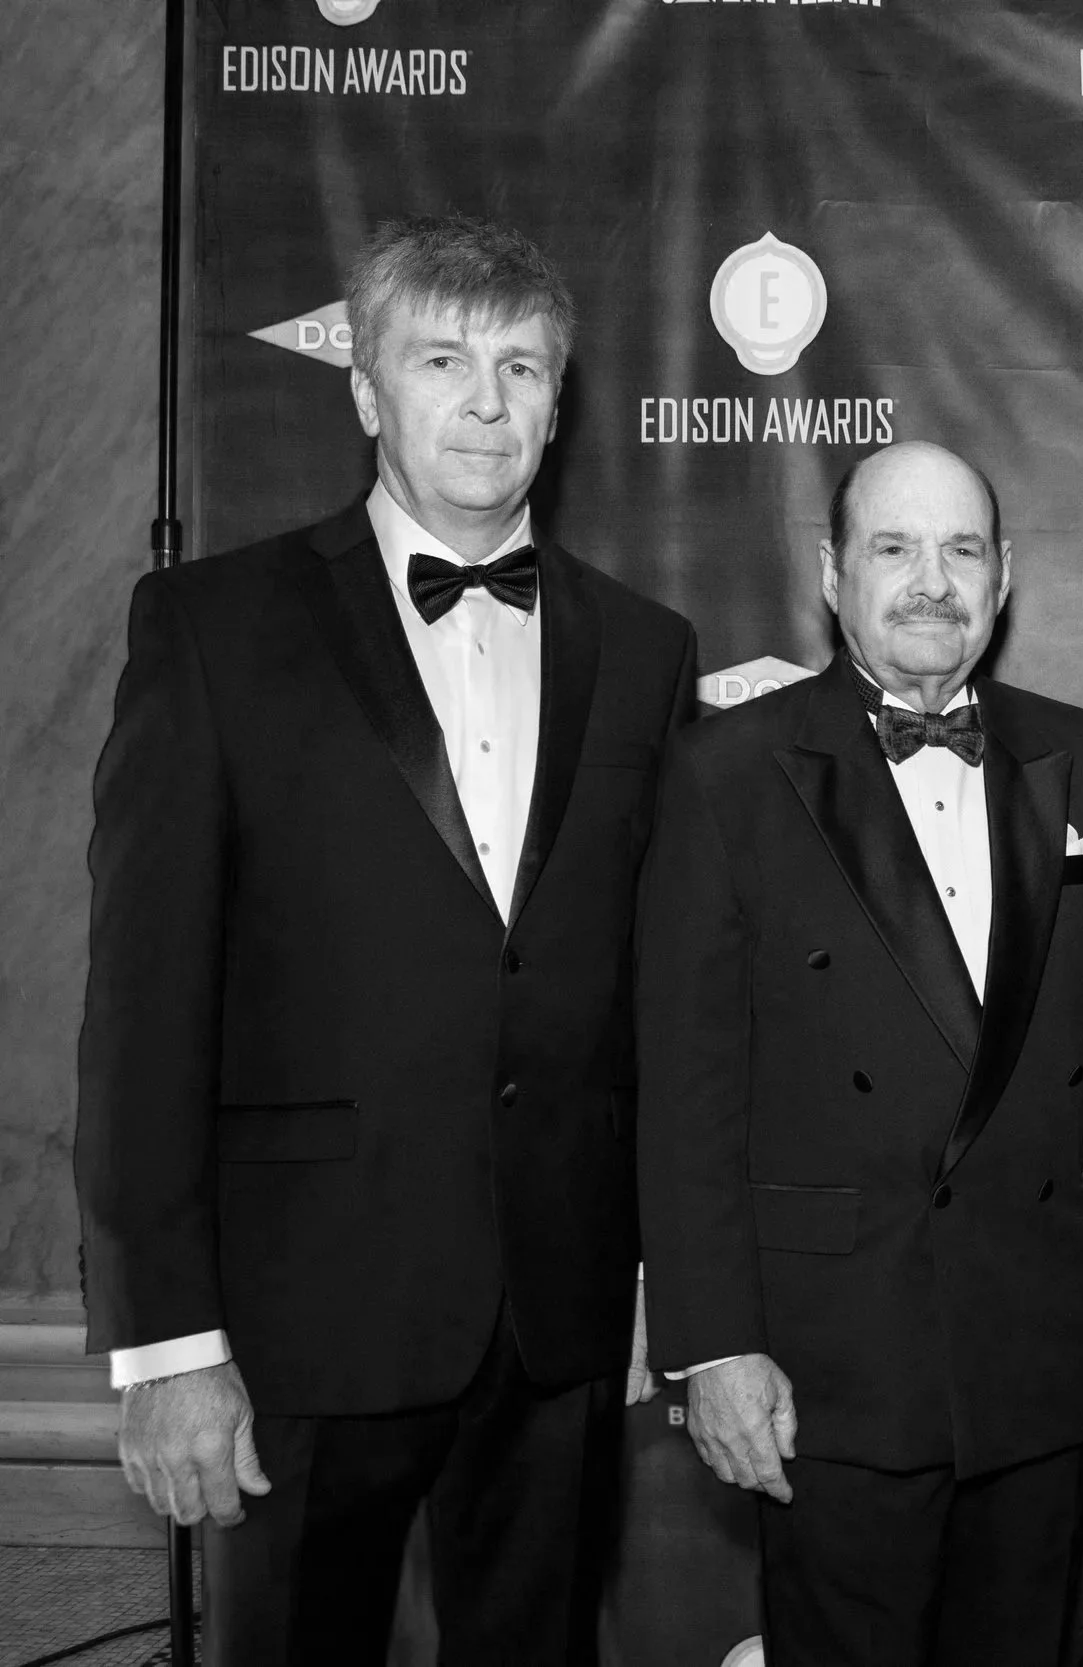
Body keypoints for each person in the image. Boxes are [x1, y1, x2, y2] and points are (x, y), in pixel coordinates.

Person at [75, 213, 696, 1664]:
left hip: (555, 1320)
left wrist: (670, 1282)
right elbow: (143, 1010)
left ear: (560, 401)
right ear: (366, 389)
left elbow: (661, 1002)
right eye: (444, 360)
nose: (487, 401)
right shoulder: (211, 626)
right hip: (296, 1319)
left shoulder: (646, 649)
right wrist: (169, 1343)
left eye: (523, 367)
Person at [636, 440, 1083, 1667]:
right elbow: (686, 1085)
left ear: (1004, 576)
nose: (930, 581)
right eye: (894, 548)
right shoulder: (725, 772)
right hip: (829, 1356)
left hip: (1038, 1341)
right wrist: (712, 1344)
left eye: (962, 549)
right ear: (828, 572)